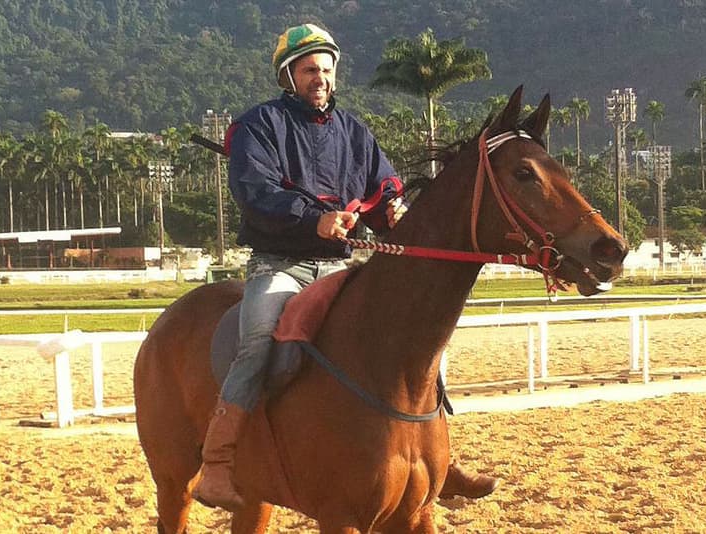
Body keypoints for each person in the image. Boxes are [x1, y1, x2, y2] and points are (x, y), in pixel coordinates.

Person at [194, 23, 497, 512]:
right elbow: (256, 192)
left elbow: (384, 188)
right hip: (281, 265)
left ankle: (438, 454)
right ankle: (217, 463)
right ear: (288, 76)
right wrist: (315, 220)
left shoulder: (353, 131)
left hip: (340, 267)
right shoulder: (258, 126)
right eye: (310, 69)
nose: (321, 79)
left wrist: (394, 210)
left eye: (327, 70)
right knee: (255, 343)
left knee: (416, 338)